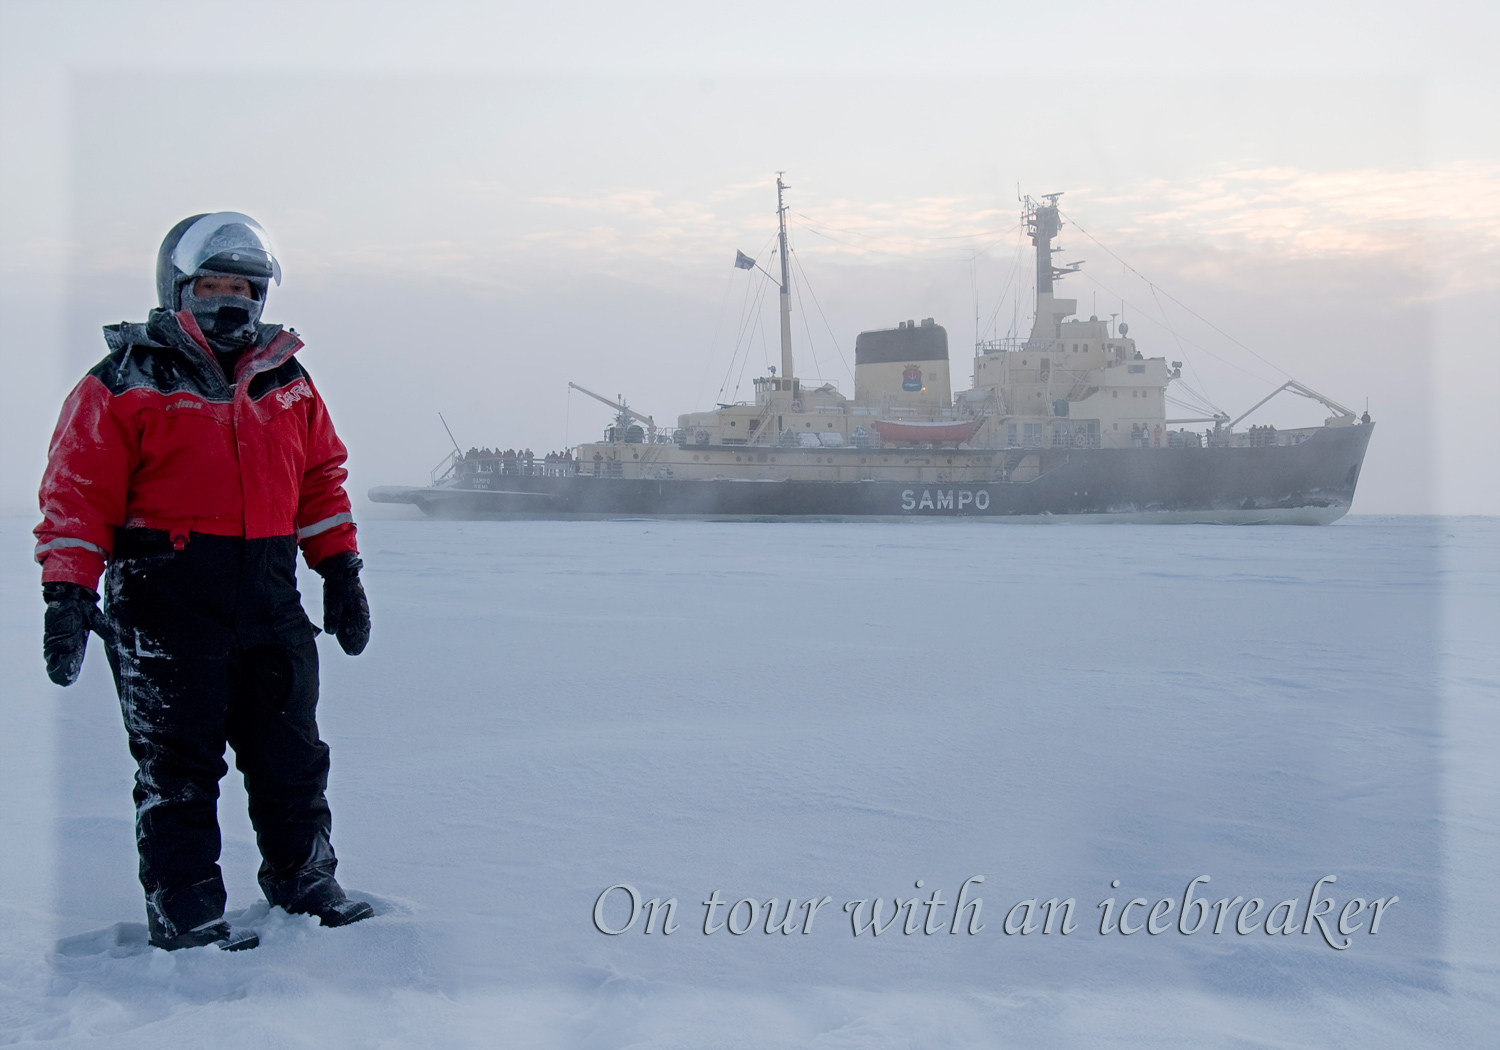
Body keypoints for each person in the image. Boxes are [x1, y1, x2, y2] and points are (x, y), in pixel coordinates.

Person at [35, 212, 374, 953]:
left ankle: (302, 879)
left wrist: (340, 570)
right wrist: (68, 594)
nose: (229, 301)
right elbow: (76, 497)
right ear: (178, 290)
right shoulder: (124, 382)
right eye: (212, 285)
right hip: (166, 603)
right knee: (179, 771)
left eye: (242, 288)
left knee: (292, 757)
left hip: (268, 600)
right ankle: (187, 913)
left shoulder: (287, 379)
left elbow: (319, 481)